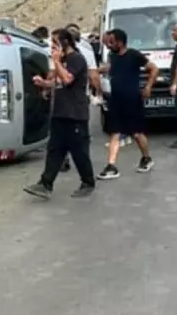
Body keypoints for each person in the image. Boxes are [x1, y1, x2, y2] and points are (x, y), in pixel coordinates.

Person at [24, 29, 95, 199]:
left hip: (75, 115)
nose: (52, 48)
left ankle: (88, 182)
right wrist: (44, 83)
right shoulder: (62, 60)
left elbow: (67, 80)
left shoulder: (77, 59)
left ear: (65, 43)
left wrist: (56, 61)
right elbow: (56, 83)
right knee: (55, 150)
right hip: (60, 113)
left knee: (79, 151)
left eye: (55, 44)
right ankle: (45, 184)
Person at [96, 28, 158, 179]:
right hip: (116, 100)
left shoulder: (134, 55)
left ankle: (146, 158)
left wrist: (148, 86)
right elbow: (110, 68)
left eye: (111, 41)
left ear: (120, 42)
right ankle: (111, 166)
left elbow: (154, 69)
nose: (109, 44)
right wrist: (96, 70)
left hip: (132, 100)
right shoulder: (113, 56)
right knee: (115, 132)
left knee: (137, 133)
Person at [54, 23, 101, 173]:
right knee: (60, 141)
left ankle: (86, 176)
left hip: (76, 102)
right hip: (66, 104)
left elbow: (69, 78)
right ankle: (47, 179)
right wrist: (97, 93)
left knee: (79, 141)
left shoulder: (79, 56)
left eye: (56, 42)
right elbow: (94, 75)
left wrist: (97, 93)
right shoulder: (68, 55)